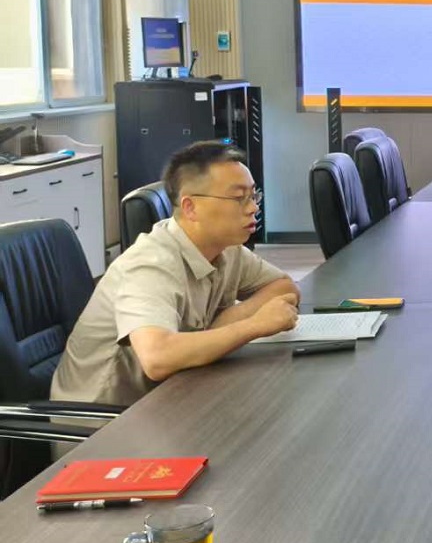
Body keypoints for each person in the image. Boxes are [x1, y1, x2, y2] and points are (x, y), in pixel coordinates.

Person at [50, 142, 300, 408]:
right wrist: (254, 325)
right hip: (106, 416)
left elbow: (284, 287)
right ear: (190, 207)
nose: (253, 208)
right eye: (239, 198)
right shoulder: (150, 264)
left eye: (253, 196)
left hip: (172, 394)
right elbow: (157, 358)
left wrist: (227, 321)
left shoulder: (226, 248)